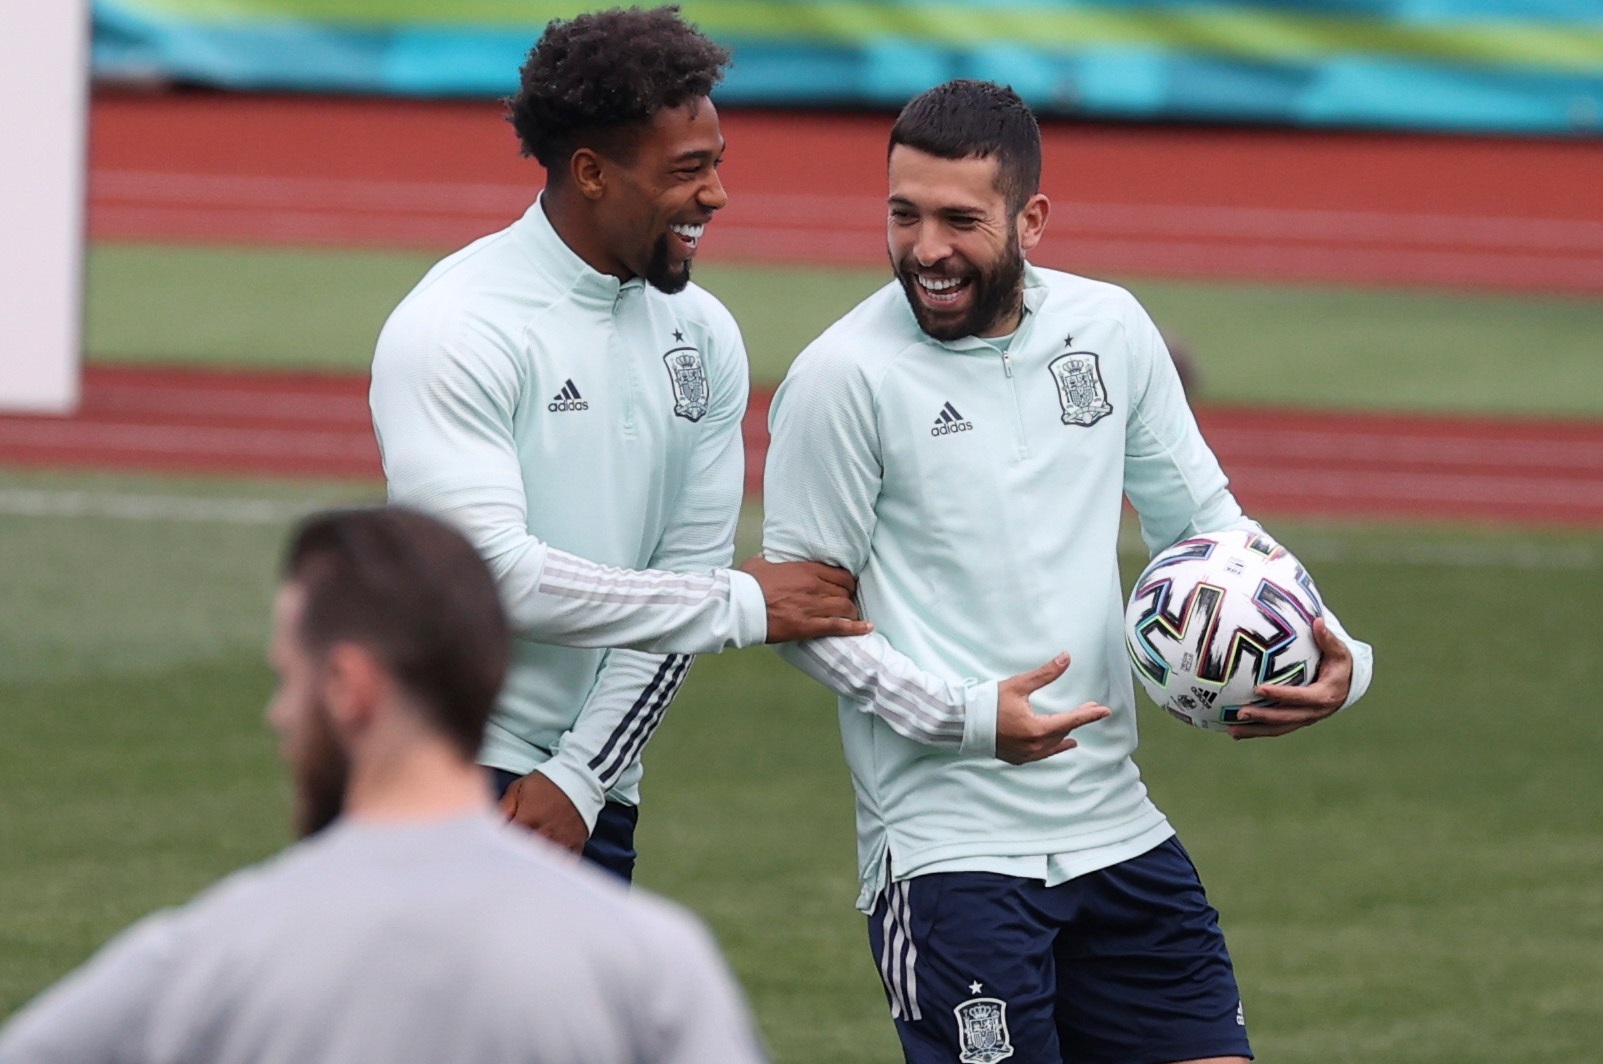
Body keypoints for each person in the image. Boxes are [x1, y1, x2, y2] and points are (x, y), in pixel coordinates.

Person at [369, 7, 1093, 882]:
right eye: (688, 171)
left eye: (717, 165)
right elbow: (496, 578)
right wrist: (743, 605)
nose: (716, 194)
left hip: (589, 791)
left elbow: (684, 577)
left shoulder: (703, 335)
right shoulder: (457, 328)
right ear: (592, 173)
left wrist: (580, 775)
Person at [761, 79, 1375, 1064]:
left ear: (1030, 218)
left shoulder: (1111, 329)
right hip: (948, 856)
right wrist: (962, 714)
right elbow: (802, 611)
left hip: (1115, 826)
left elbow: (1206, 523)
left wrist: (1334, 648)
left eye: (959, 219)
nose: (925, 249)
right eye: (902, 213)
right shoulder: (842, 378)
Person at [0, 507, 769, 1064]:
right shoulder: (653, 963)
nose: (277, 715)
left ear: (349, 689)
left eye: (289, 680)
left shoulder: (209, 955)